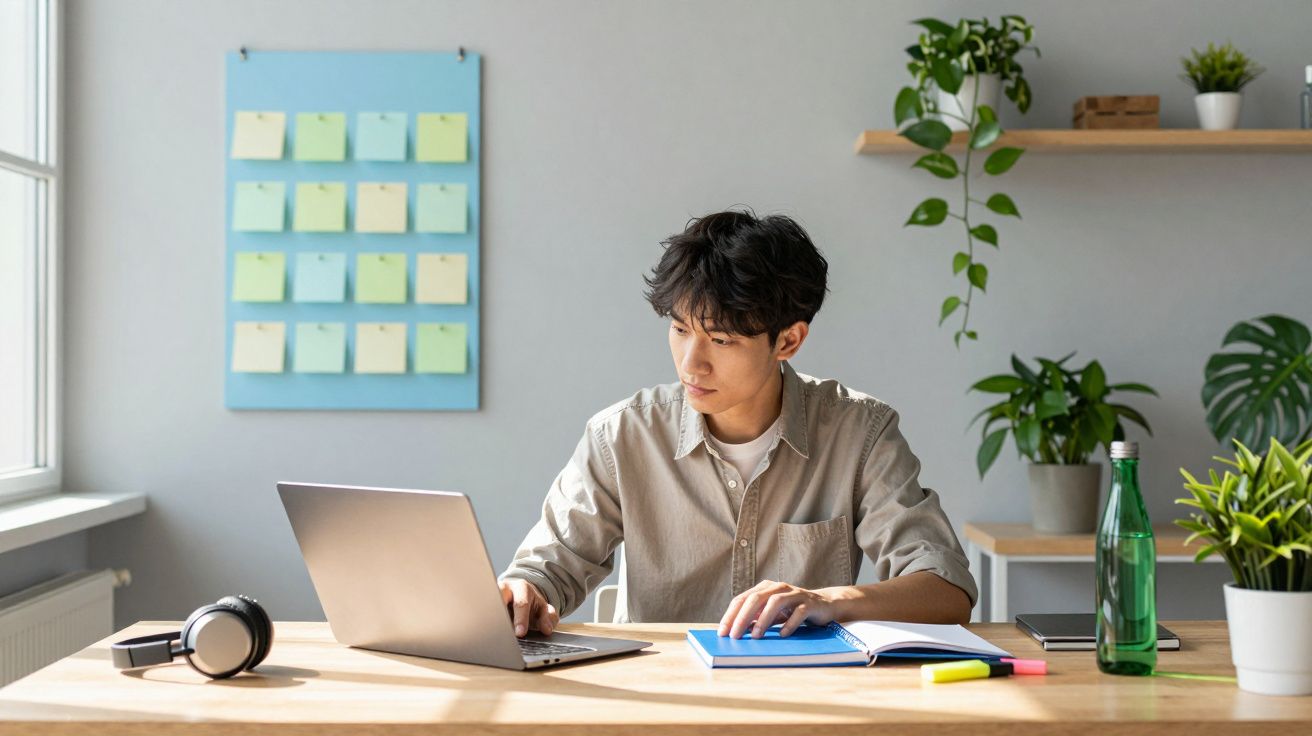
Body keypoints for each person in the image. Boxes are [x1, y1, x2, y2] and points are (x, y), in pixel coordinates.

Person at [498, 209, 976, 640]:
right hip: (665, 700)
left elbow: (947, 588)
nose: (691, 364)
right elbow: (545, 570)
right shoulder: (622, 437)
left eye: (721, 340)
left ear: (788, 340)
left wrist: (830, 601)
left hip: (809, 696)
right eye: (680, 329)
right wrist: (524, 591)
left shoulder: (859, 434)